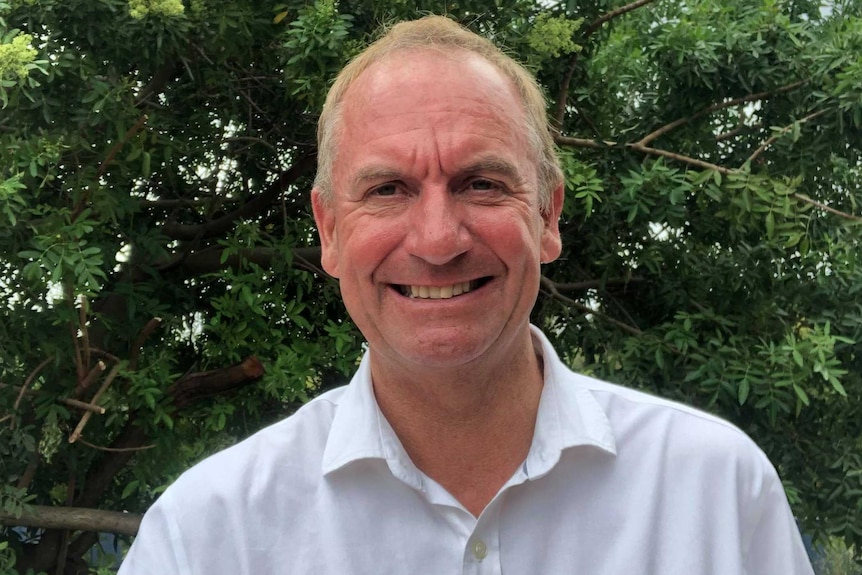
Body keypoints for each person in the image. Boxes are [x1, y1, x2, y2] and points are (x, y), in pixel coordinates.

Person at [119, 16, 814, 574]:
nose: (437, 237)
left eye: (481, 183)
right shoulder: (207, 535)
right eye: (388, 189)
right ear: (328, 230)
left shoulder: (716, 490)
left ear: (547, 216)